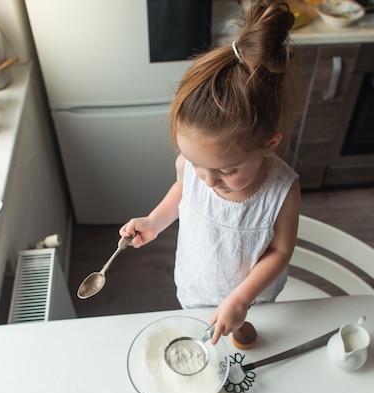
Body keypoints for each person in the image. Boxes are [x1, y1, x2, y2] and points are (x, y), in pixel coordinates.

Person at [119, 0, 300, 345]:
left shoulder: (283, 191)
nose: (208, 179)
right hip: (195, 285)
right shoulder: (192, 166)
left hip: (252, 302)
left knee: (248, 351)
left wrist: (241, 298)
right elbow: (183, 191)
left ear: (269, 144)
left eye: (228, 170)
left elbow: (280, 252)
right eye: (197, 164)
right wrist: (155, 221)